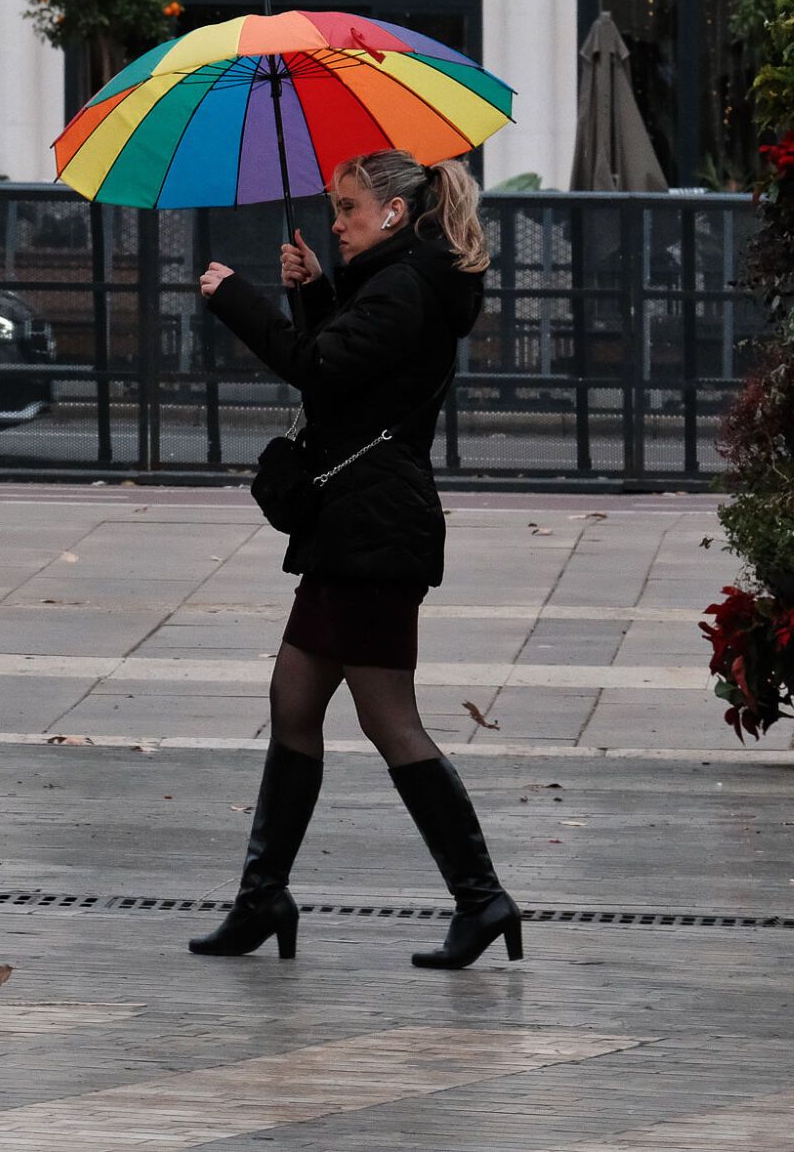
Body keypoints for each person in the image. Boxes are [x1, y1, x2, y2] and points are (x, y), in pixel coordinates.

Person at [189, 149, 523, 970]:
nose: (336, 222)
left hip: (376, 530)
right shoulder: (396, 279)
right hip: (355, 524)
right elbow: (345, 378)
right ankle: (263, 895)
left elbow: (319, 369)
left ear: (395, 213)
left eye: (347, 209)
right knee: (294, 697)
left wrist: (237, 298)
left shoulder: (407, 288)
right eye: (335, 209)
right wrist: (311, 291)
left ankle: (482, 898)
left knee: (388, 718)